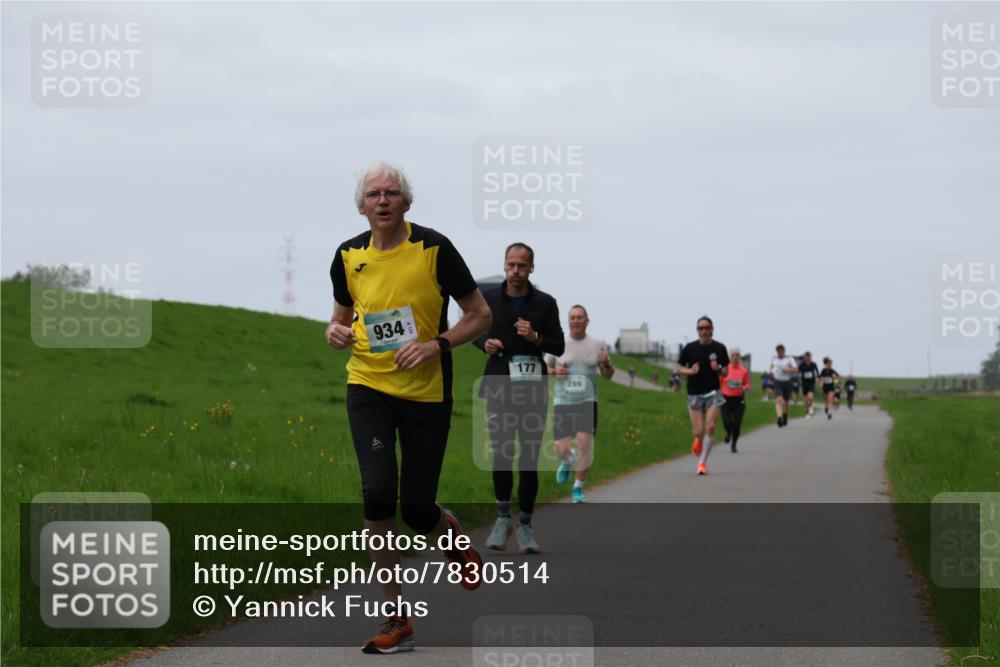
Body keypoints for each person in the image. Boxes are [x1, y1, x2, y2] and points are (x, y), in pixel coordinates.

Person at [327, 162, 492, 654]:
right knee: (378, 495)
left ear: (406, 201)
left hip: (426, 393)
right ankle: (397, 618)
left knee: (417, 511)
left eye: (392, 193)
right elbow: (341, 319)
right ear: (361, 206)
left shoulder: (434, 249)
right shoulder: (347, 255)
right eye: (373, 194)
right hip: (368, 387)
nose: (383, 200)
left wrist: (436, 345)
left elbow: (480, 315)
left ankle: (450, 532)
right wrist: (334, 332)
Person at [478, 243, 565, 554]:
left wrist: (535, 338)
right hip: (498, 385)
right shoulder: (487, 300)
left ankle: (525, 526)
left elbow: (558, 345)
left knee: (528, 457)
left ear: (531, 268)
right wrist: (484, 343)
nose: (516, 271)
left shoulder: (545, 303)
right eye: (511, 265)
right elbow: (473, 330)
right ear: (504, 265)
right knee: (502, 452)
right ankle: (503, 519)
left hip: (532, 389)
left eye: (522, 266)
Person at [546, 305, 615, 503]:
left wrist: (606, 363)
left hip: (587, 402)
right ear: (568, 321)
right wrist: (555, 372)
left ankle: (578, 488)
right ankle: (568, 460)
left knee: (585, 445)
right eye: (572, 317)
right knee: (561, 448)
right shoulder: (558, 343)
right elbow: (545, 368)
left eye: (579, 317)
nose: (576, 321)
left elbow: (608, 375)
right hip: (563, 402)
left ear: (587, 321)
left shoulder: (597, 345)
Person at [677, 316, 730, 475]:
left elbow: (725, 372)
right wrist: (690, 371)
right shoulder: (690, 348)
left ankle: (702, 463)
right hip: (694, 393)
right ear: (697, 330)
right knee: (699, 431)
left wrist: (718, 369)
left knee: (711, 426)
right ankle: (698, 439)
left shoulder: (720, 348)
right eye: (701, 328)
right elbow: (678, 367)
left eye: (707, 328)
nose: (704, 331)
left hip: (713, 392)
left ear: (712, 329)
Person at [720, 347, 750, 452]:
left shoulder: (744, 371)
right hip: (726, 399)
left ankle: (734, 444)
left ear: (739, 357)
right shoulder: (725, 369)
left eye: (737, 355)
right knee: (727, 422)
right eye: (733, 355)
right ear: (730, 357)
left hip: (739, 400)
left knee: (737, 424)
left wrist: (744, 387)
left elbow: (747, 384)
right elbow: (719, 382)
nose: (735, 357)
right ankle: (728, 432)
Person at [768, 344, 798, 427]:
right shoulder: (774, 358)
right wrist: (770, 372)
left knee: (786, 401)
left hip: (787, 381)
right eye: (778, 351)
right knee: (779, 399)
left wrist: (788, 370)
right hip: (777, 381)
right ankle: (779, 418)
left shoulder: (789, 359)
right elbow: (771, 366)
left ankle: (785, 414)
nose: (780, 353)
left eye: (781, 351)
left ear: (784, 351)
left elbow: (796, 369)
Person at [798, 351, 820, 418]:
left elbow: (817, 372)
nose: (808, 358)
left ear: (811, 357)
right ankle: (807, 411)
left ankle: (811, 407)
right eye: (806, 357)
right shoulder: (802, 364)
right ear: (805, 357)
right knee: (805, 399)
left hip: (811, 382)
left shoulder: (814, 364)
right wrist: (799, 379)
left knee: (810, 396)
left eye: (809, 357)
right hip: (804, 383)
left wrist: (817, 378)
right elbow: (798, 372)